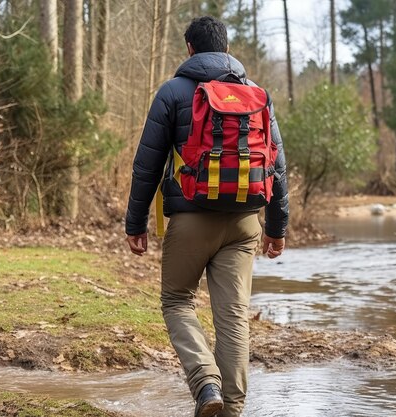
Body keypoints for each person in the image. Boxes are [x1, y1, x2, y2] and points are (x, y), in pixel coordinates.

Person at [124, 16, 288, 417]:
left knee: (177, 301)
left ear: (190, 50)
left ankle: (205, 384)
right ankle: (231, 409)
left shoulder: (173, 92)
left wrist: (136, 223)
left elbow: (147, 164)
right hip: (247, 221)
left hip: (191, 217)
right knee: (233, 317)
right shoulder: (255, 94)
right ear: (228, 50)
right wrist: (277, 227)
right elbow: (277, 166)